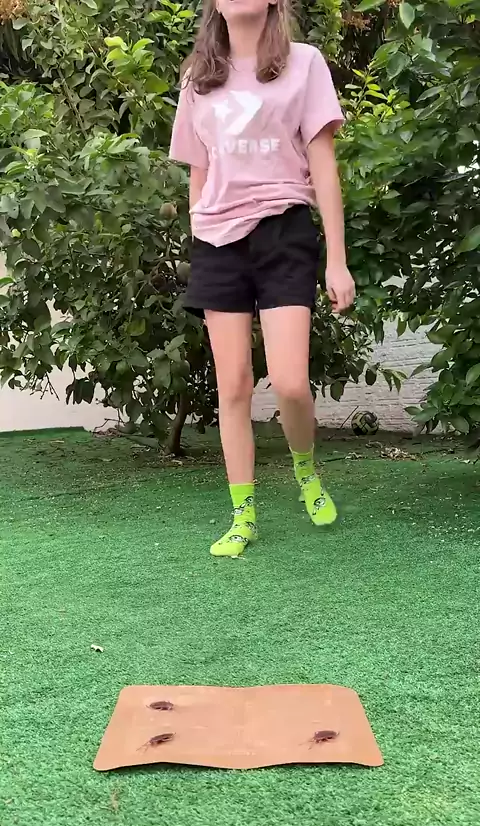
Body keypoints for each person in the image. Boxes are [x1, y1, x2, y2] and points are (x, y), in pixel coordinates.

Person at [169, 0, 355, 557]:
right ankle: (242, 514)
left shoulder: (305, 63)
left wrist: (337, 260)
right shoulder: (198, 77)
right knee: (233, 386)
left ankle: (305, 469)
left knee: (292, 383)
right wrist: (199, 228)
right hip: (217, 242)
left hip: (283, 232)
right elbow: (199, 171)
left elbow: (323, 165)